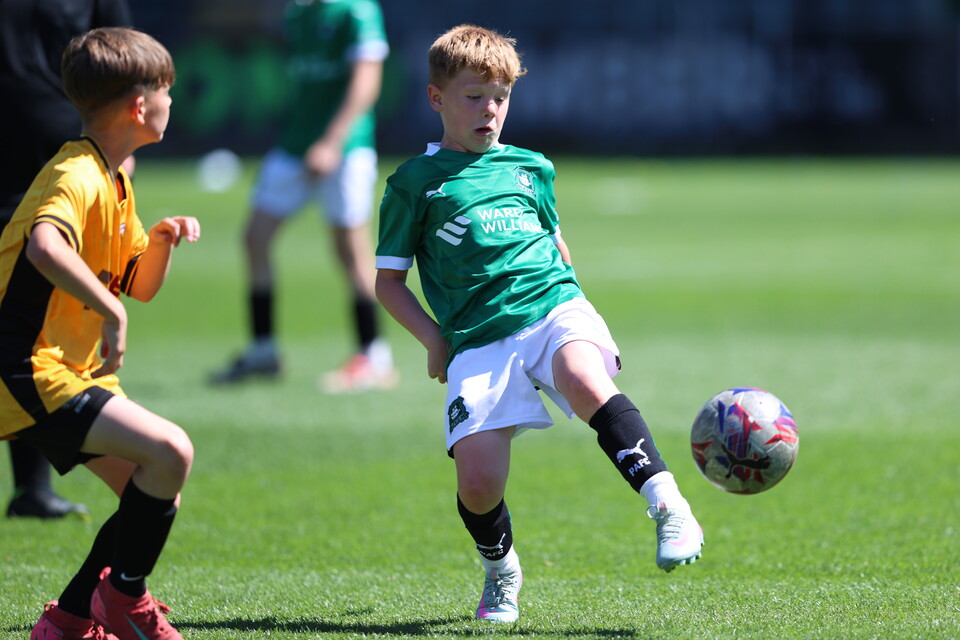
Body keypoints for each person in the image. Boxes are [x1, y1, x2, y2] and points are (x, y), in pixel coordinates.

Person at [375, 25, 704, 624]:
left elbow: (557, 248)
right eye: (474, 96)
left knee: (584, 377)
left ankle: (669, 504)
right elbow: (388, 283)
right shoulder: (414, 185)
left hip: (552, 306)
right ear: (435, 98)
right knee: (477, 482)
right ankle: (501, 569)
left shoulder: (531, 168)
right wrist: (433, 338)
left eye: (500, 97)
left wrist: (578, 313)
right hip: (476, 337)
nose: (489, 110)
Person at [0, 27, 199, 640]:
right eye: (167, 89)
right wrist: (109, 314)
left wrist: (160, 241)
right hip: (27, 369)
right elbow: (43, 244)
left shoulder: (113, 177)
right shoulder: (77, 173)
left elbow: (136, 281)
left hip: (67, 370)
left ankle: (66, 622)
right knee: (170, 454)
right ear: (141, 106)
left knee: (157, 487)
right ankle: (124, 601)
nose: (173, 99)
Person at [211, 0, 397, 392]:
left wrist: (332, 141)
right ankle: (264, 352)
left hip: (345, 148)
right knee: (254, 238)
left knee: (350, 251)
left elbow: (366, 84)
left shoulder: (356, 10)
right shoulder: (297, 14)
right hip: (295, 146)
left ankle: (374, 358)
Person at [0, 0, 134, 520]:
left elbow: (127, 60)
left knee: (40, 326)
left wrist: (123, 160)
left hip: (58, 166)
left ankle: (32, 486)